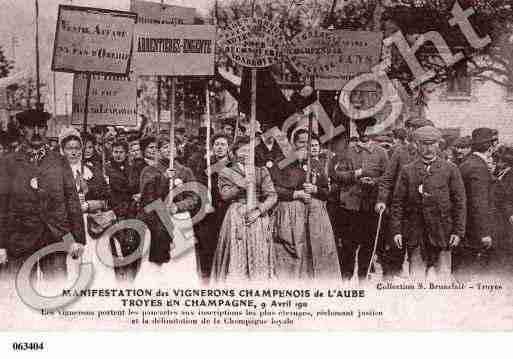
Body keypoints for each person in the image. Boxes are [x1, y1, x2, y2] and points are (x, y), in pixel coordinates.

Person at [0, 111, 84, 285]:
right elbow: (2, 205)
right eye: (31, 127)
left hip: (54, 238)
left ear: (46, 129)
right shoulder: (8, 163)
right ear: (22, 130)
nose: (36, 132)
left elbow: (72, 200)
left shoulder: (59, 161)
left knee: (56, 292)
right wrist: (1, 244)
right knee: (18, 295)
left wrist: (78, 238)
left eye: (40, 127)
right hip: (20, 241)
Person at [390, 126, 466, 280]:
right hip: (416, 234)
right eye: (424, 144)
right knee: (416, 281)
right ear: (417, 145)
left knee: (442, 281)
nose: (429, 148)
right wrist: (396, 231)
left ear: (438, 144)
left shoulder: (450, 169)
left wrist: (458, 232)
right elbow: (397, 203)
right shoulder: (407, 170)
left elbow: (460, 202)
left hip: (443, 234)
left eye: (432, 144)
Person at [272, 130, 341, 281]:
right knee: (293, 253)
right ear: (293, 144)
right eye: (301, 142)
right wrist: (296, 194)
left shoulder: (315, 163)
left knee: (316, 252)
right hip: (290, 214)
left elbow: (327, 191)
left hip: (315, 217)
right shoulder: (283, 162)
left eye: (307, 143)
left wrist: (316, 189)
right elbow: (274, 189)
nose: (305, 146)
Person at [330, 117, 389, 281]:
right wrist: (355, 174)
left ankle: (363, 277)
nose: (364, 132)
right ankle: (346, 278)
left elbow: (387, 179)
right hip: (349, 206)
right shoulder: (347, 150)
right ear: (357, 130)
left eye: (368, 129)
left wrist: (374, 182)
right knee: (348, 245)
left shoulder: (382, 153)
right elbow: (337, 174)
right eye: (361, 128)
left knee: (368, 244)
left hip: (370, 206)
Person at [211, 136, 277, 282]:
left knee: (258, 250)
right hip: (236, 215)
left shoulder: (261, 171)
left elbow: (272, 196)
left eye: (249, 151)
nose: (246, 154)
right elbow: (225, 195)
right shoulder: (226, 172)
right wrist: (240, 185)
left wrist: (259, 211)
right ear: (234, 153)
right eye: (243, 150)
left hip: (257, 215)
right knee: (236, 251)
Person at [374, 117, 434, 279]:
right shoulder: (400, 152)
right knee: (393, 256)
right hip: (400, 215)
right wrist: (381, 200)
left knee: (422, 259)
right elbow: (387, 179)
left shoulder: (436, 154)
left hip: (424, 217)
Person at [137, 136, 200, 283]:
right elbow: (146, 196)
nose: (169, 150)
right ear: (158, 151)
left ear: (178, 149)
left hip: (180, 219)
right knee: (157, 262)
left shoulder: (185, 171)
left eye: (172, 146)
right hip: (157, 220)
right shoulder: (149, 171)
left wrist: (178, 206)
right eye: (165, 147)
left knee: (180, 259)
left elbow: (194, 197)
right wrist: (164, 178)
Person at [60, 127, 115, 286]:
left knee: (96, 265)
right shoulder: (57, 174)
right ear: (62, 150)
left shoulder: (92, 172)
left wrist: (90, 205)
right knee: (74, 266)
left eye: (77, 148)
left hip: (93, 225)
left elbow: (108, 199)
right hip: (70, 226)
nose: (74, 152)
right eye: (69, 148)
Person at [456, 128, 498, 280]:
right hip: (473, 231)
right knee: (468, 272)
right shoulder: (478, 168)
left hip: (465, 227)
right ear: (490, 146)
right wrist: (484, 233)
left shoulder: (468, 163)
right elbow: (478, 203)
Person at [193, 133, 231, 281]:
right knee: (207, 243)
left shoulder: (232, 165)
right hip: (209, 210)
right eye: (217, 144)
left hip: (226, 209)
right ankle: (206, 275)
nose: (219, 147)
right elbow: (198, 185)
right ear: (212, 147)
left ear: (228, 148)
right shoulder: (205, 164)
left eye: (223, 144)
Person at [106, 139, 140, 281]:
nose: (118, 155)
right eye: (115, 152)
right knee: (117, 245)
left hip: (131, 211)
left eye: (121, 152)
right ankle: (119, 276)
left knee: (131, 244)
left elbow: (136, 186)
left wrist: (136, 194)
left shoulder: (132, 169)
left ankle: (130, 276)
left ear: (126, 154)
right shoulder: (107, 170)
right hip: (116, 210)